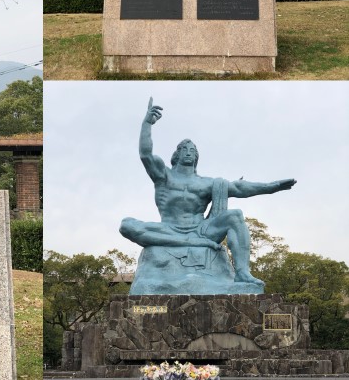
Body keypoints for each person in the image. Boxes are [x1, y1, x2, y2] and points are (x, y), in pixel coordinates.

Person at [119, 98, 296, 286]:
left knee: (235, 216)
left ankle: (242, 273)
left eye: (192, 150)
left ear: (196, 157)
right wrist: (147, 124)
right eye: (184, 149)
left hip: (201, 231)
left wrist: (271, 187)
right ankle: (188, 243)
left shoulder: (206, 183)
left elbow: (238, 187)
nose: (189, 152)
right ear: (176, 155)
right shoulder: (164, 176)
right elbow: (145, 154)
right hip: (169, 228)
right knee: (126, 225)